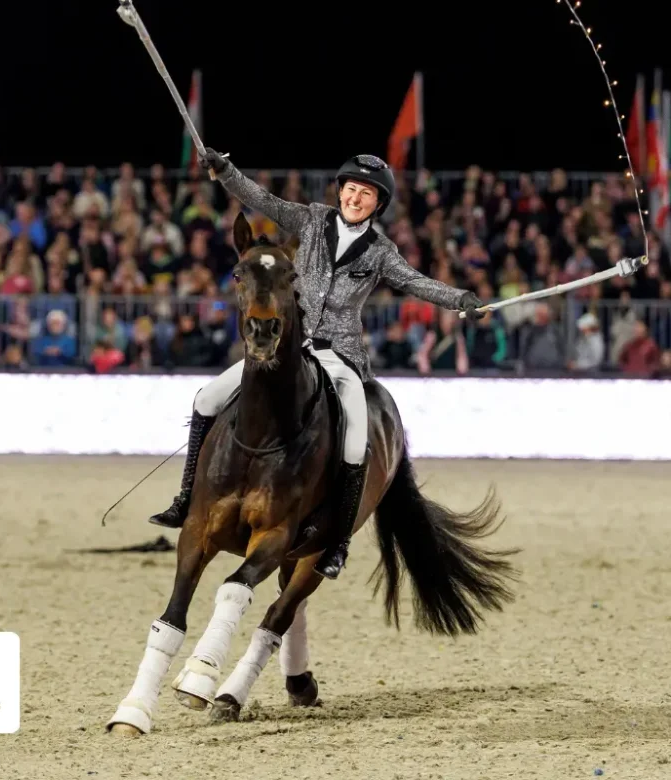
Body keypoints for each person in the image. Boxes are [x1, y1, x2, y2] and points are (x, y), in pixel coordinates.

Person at [148, 150, 484, 580]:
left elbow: (415, 281)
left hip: (340, 357)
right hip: (290, 348)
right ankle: (184, 498)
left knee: (354, 441)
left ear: (378, 204)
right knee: (207, 397)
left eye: (366, 194)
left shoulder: (381, 251)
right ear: (340, 190)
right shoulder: (310, 220)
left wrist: (461, 300)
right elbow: (261, 199)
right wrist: (226, 171)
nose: (356, 198)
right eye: (351, 189)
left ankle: (337, 543)